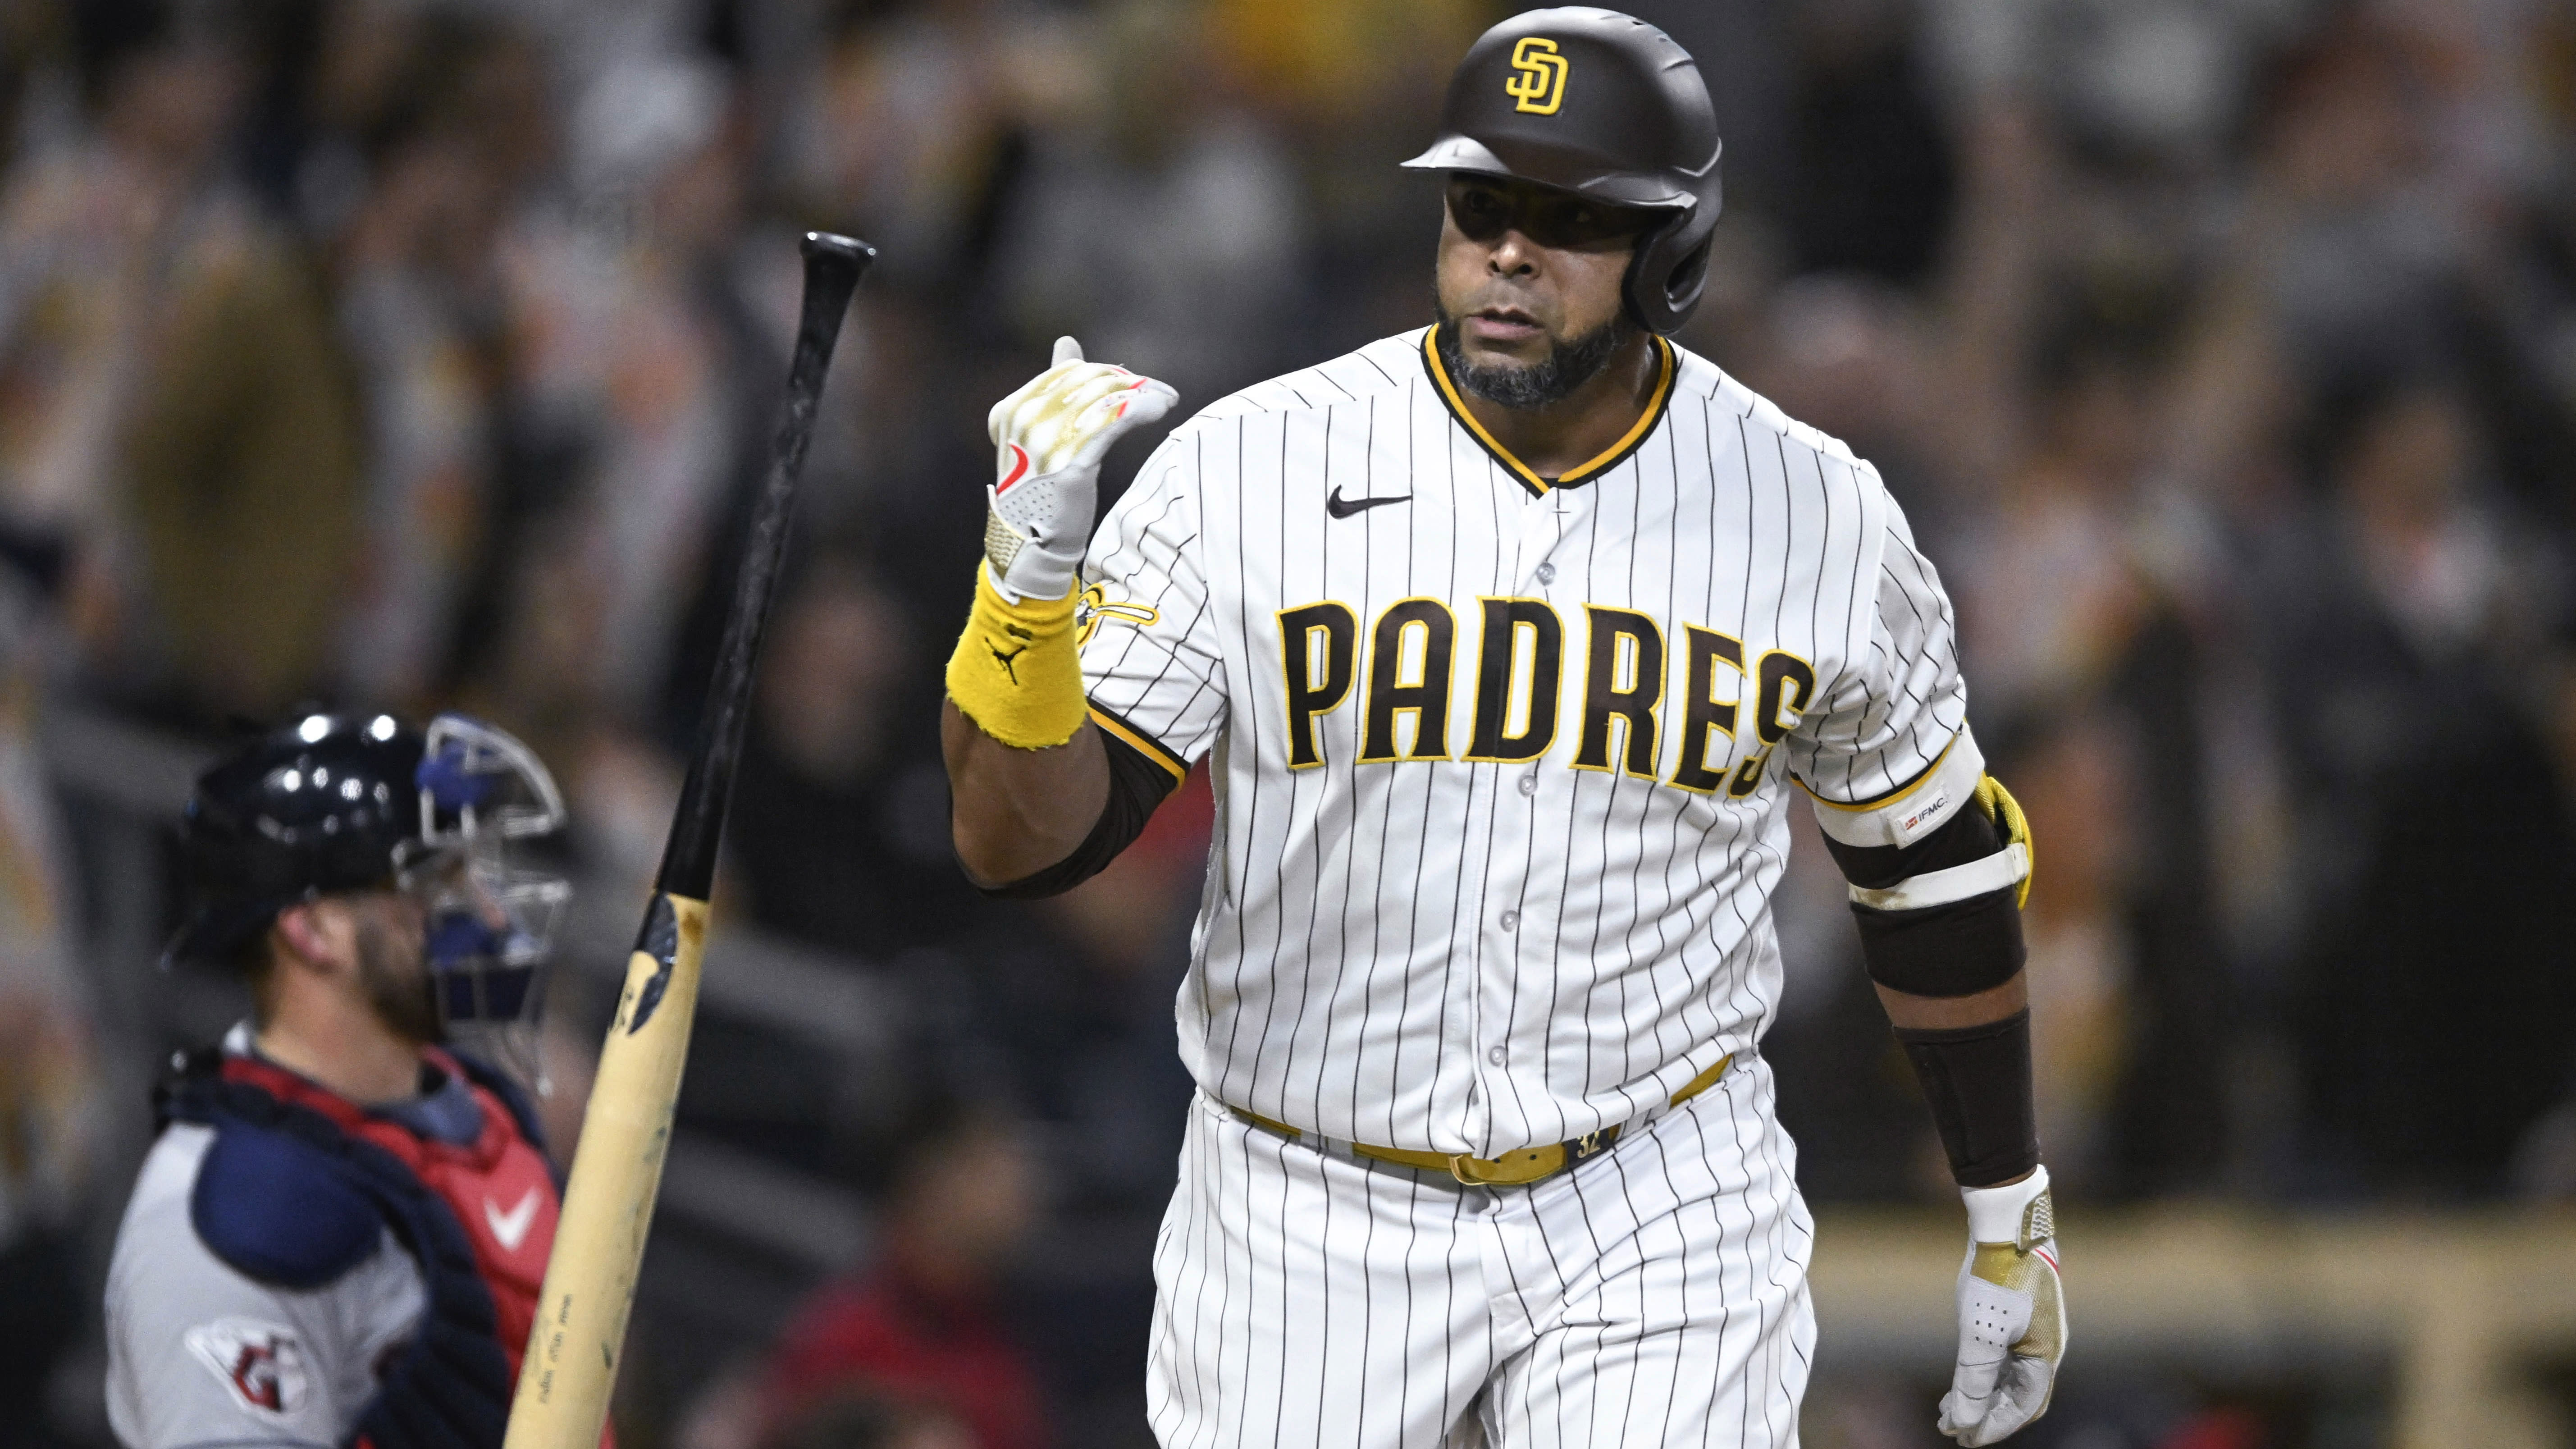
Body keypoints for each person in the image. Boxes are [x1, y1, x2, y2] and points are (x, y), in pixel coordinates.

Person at [940, 9, 2064, 1447]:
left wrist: (2005, 1205)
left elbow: (1934, 878)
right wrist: (1024, 595)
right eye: (1480, 209)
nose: (1508, 256)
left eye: (1568, 221)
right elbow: (1018, 844)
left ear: (1675, 251)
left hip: (1655, 1192)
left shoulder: (1818, 514)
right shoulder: (1248, 468)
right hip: (1309, 1197)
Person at [102, 712, 581, 1449]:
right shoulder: (223, 1225)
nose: (486, 912)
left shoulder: (480, 1113)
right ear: (311, 930)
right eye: (434, 884)